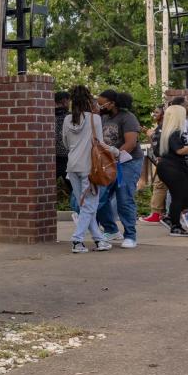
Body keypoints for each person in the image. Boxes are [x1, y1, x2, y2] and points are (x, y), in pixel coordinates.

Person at [63, 85, 111, 253]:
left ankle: (99, 240)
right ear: (89, 100)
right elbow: (100, 144)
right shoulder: (95, 119)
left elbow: (66, 143)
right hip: (90, 167)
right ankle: (77, 240)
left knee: (86, 206)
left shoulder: (67, 119)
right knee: (89, 206)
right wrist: (117, 152)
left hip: (72, 166)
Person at [95, 90, 144, 249]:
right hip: (108, 162)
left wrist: (114, 158)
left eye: (102, 103)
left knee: (124, 197)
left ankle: (130, 235)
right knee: (100, 197)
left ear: (113, 103)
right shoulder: (104, 117)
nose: (100, 106)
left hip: (128, 162)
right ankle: (111, 229)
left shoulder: (128, 118)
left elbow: (130, 143)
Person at [155, 104, 188, 236]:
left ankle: (171, 218)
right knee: (181, 195)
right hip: (172, 167)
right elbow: (179, 150)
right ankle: (175, 225)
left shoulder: (167, 131)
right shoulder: (174, 132)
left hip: (171, 167)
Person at [141, 106, 168, 224]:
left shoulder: (163, 128)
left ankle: (156, 214)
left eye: (157, 112)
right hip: (161, 161)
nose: (154, 114)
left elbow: (159, 143)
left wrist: (150, 134)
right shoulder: (159, 128)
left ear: (163, 114)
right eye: (153, 112)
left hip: (165, 161)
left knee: (159, 185)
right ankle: (159, 213)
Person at [55, 91, 72, 212]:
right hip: (67, 157)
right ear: (65, 101)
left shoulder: (46, 115)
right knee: (75, 189)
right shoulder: (70, 116)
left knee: (44, 187)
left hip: (52, 157)